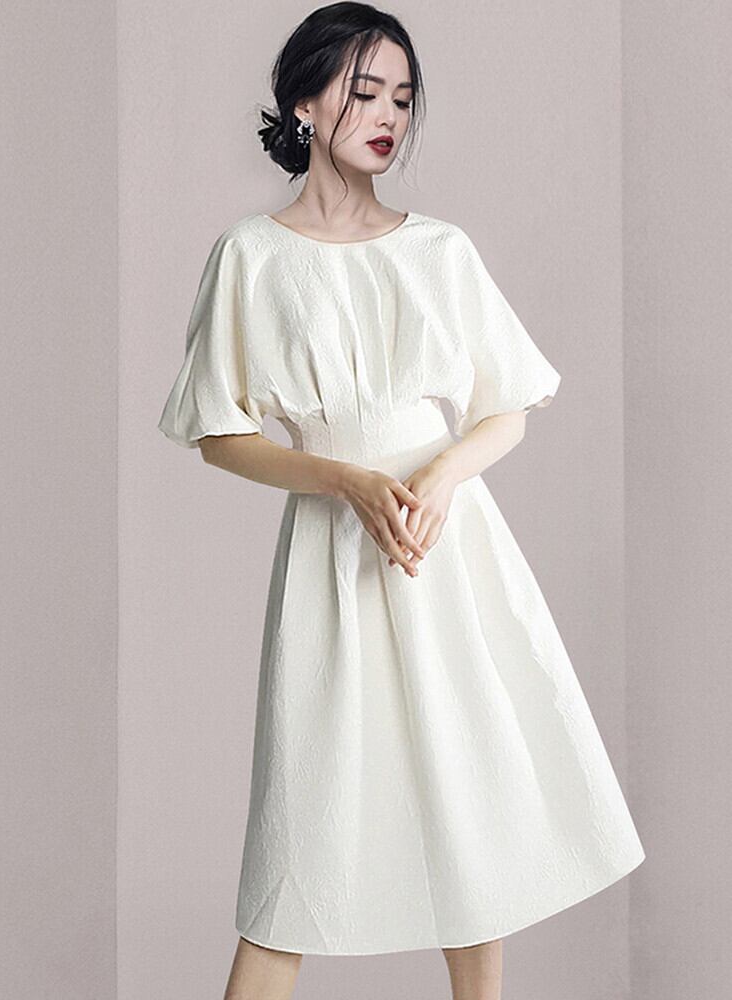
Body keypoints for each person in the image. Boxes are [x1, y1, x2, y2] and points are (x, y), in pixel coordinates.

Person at [158, 4, 646, 999]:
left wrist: (440, 477)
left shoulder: (442, 252)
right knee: (298, 838)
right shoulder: (252, 256)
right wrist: (345, 480)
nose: (389, 116)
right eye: (365, 91)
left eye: (403, 99)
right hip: (333, 560)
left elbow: (507, 409)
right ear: (304, 102)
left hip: (445, 553)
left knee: (471, 813)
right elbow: (219, 433)